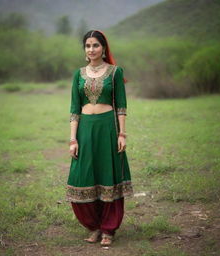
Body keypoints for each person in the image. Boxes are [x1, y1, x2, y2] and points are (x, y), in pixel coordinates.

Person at [66, 30, 133, 246]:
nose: (91, 49)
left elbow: (121, 106)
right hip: (85, 129)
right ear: (84, 49)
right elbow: (74, 108)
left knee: (108, 175)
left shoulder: (115, 72)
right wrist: (73, 139)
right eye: (88, 45)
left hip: (108, 129)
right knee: (82, 175)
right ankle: (93, 226)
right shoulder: (78, 74)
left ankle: (108, 229)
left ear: (104, 48)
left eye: (95, 45)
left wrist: (122, 134)